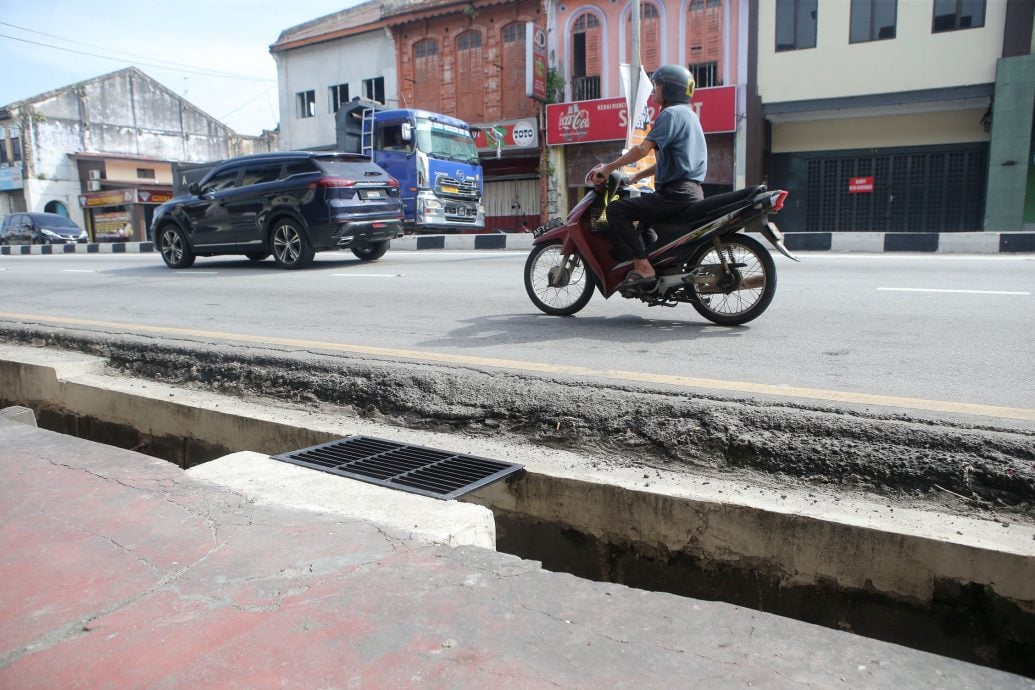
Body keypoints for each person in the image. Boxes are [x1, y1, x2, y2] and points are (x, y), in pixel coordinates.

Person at [589, 64, 708, 291]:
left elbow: (642, 150)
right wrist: (634, 177)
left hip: (674, 194)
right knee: (644, 222)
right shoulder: (689, 116)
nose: (654, 90)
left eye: (658, 85)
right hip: (689, 192)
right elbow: (668, 160)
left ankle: (643, 266)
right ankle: (657, 265)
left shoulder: (670, 115)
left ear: (670, 89)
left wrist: (609, 167)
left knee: (616, 210)